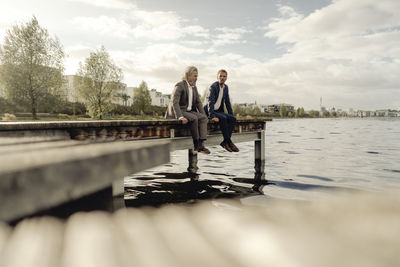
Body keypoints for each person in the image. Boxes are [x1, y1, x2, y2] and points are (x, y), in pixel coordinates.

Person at [165, 66, 210, 154]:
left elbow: (198, 103)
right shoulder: (180, 85)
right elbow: (175, 102)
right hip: (178, 111)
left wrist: (203, 114)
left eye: (197, 76)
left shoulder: (194, 87)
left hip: (188, 111)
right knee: (194, 118)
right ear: (187, 76)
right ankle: (196, 144)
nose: (196, 78)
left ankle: (201, 144)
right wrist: (180, 117)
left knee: (203, 118)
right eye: (194, 76)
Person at [204, 69, 239, 152]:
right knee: (223, 118)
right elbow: (210, 102)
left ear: (226, 78)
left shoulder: (226, 88)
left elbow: (227, 102)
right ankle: (229, 142)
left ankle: (225, 142)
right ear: (217, 77)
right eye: (220, 76)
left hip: (218, 111)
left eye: (224, 76)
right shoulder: (213, 87)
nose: (222, 78)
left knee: (233, 119)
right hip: (209, 110)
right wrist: (211, 115)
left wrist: (231, 115)